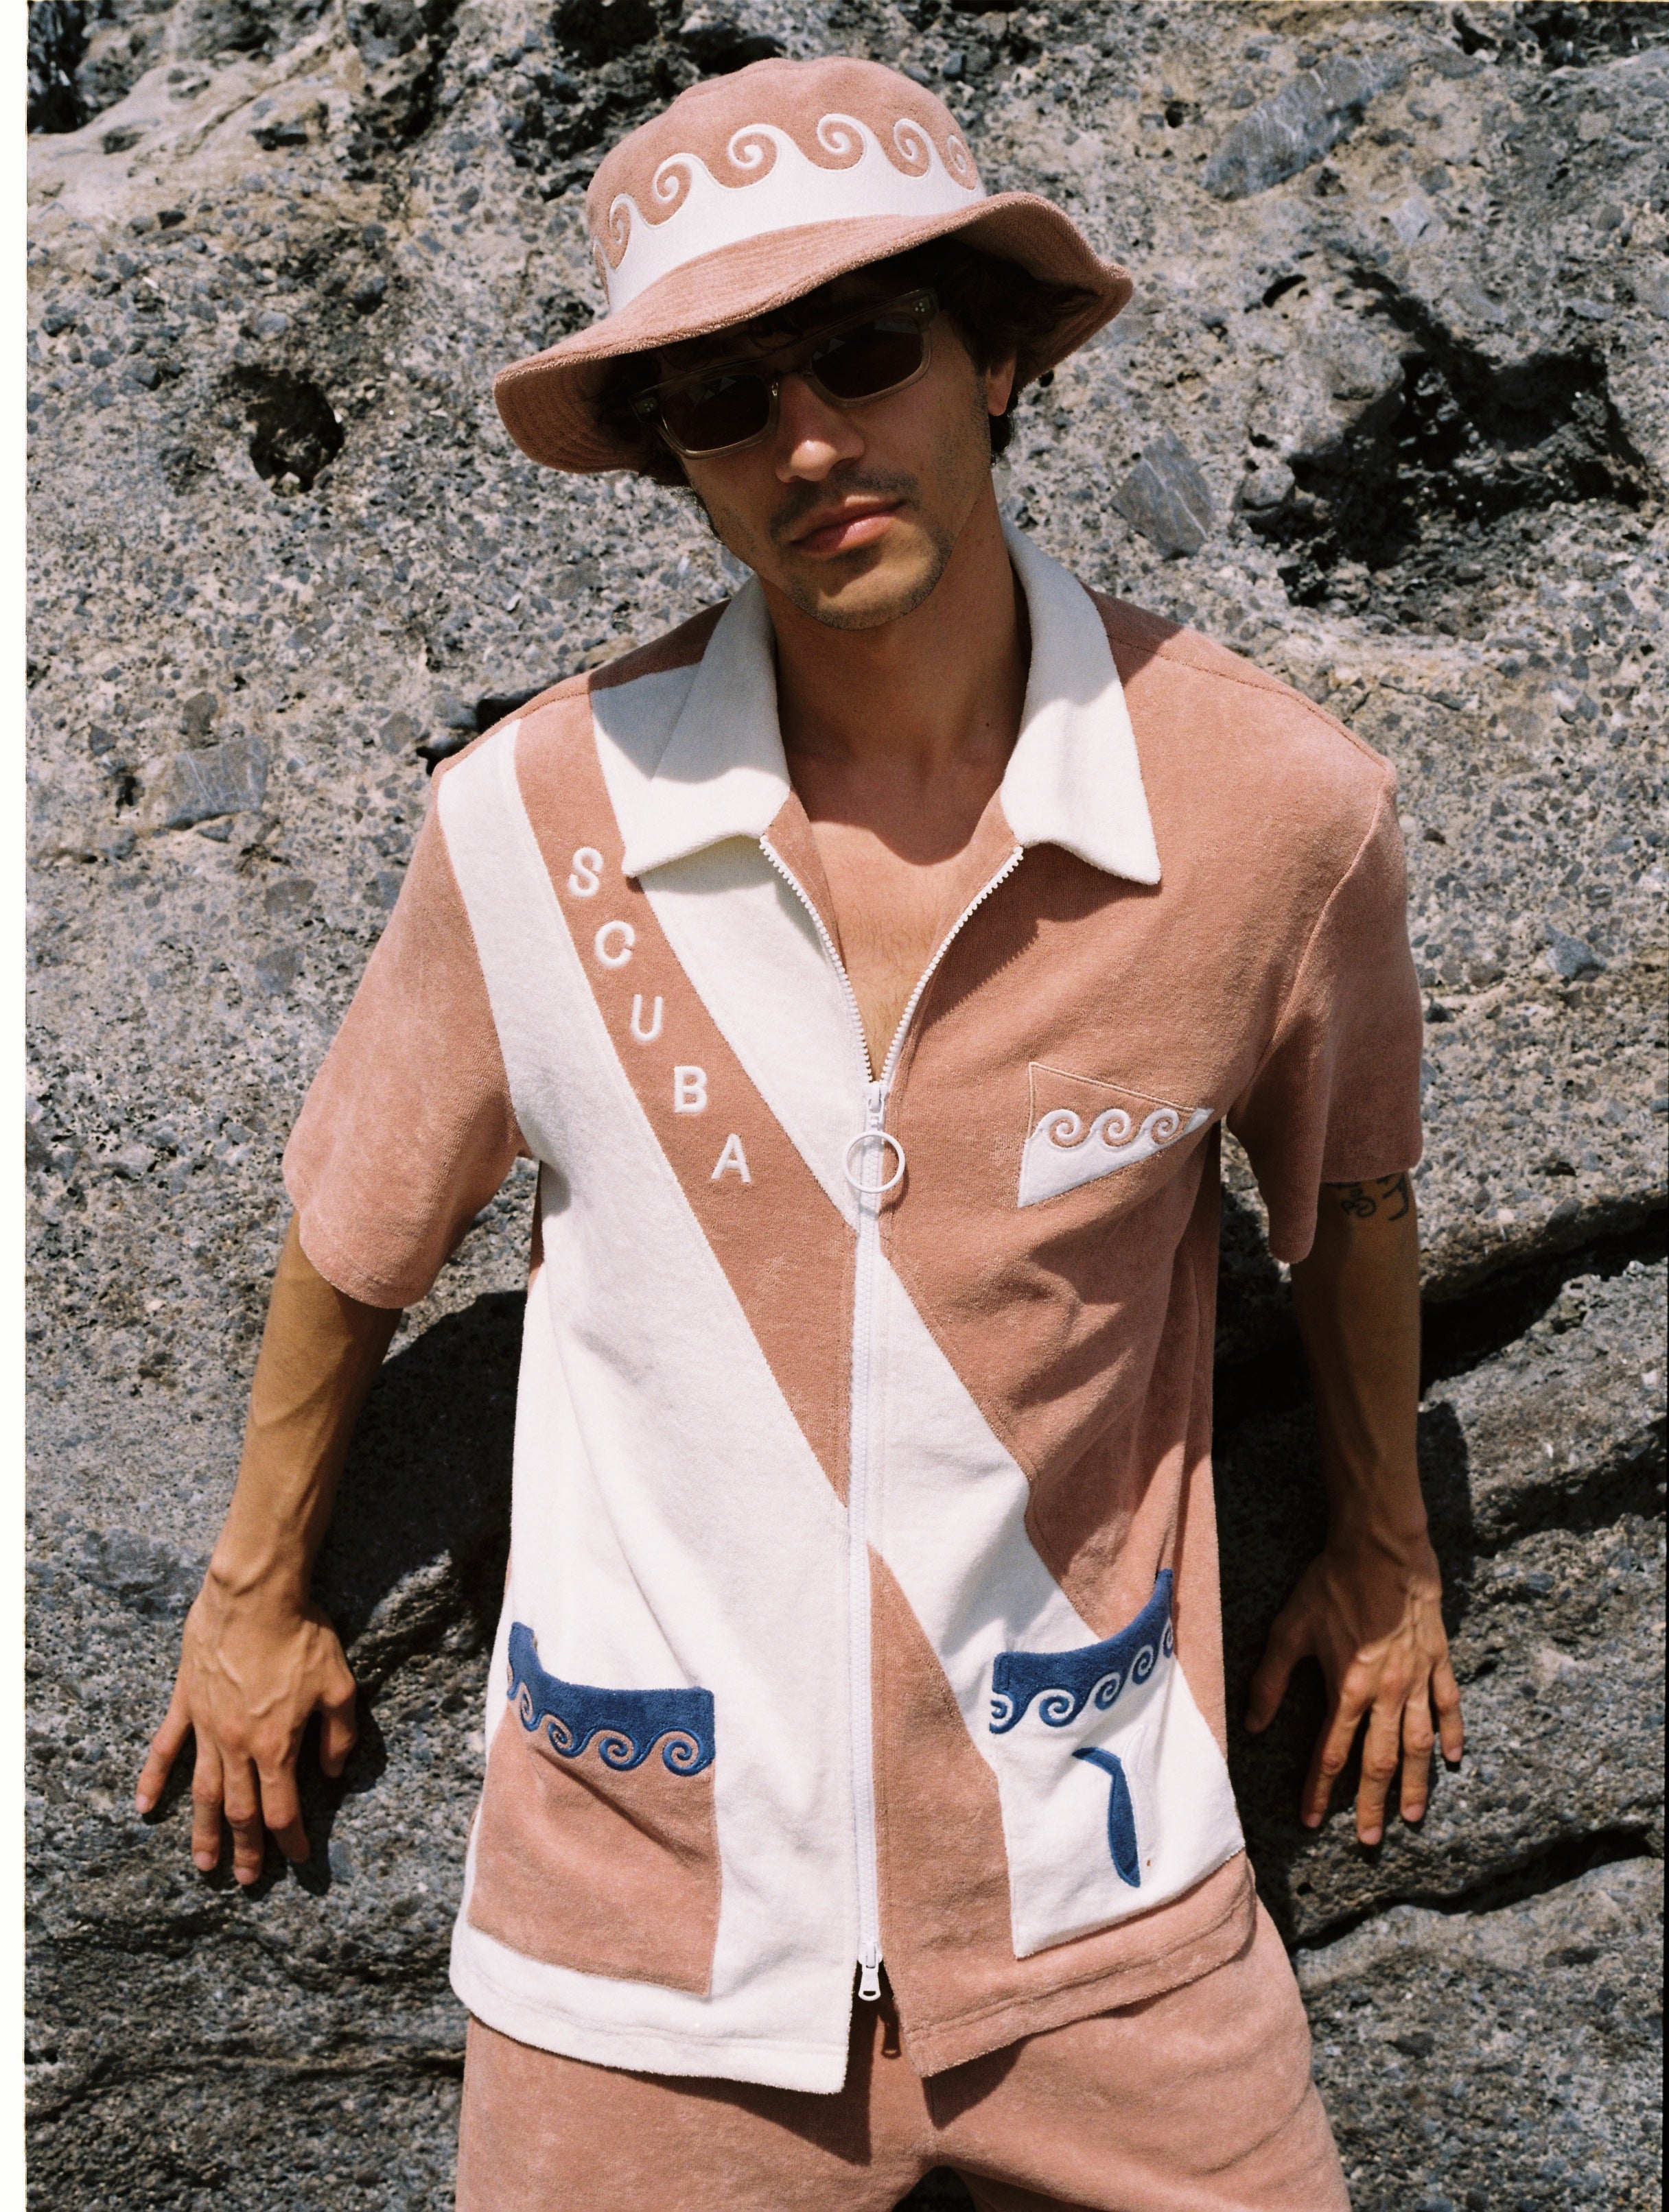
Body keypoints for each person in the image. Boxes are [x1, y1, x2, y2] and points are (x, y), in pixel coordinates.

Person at [137, 54, 1464, 2211]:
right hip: (640, 1961)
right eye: (722, 401)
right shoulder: (533, 821)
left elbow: (1360, 1197)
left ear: (1000, 354)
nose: (810, 442)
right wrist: (251, 1594)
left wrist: (1390, 1561)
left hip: (1111, 1922)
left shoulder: (1275, 811)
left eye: (864, 352)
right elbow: (359, 1219)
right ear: (670, 458)